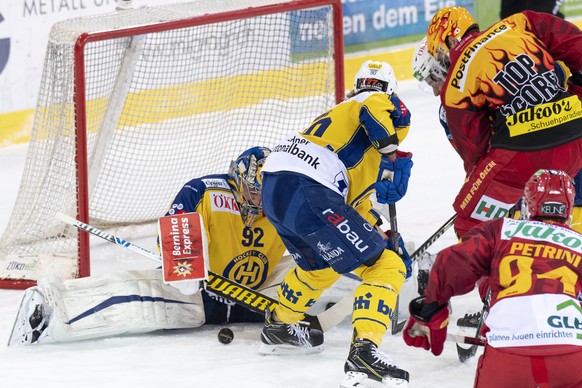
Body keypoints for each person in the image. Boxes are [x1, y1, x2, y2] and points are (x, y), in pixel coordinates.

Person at [9, 146, 292, 345]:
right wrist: (186, 269)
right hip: (201, 293)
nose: (260, 202)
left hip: (254, 294)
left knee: (312, 275)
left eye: (265, 194)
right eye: (253, 193)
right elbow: (177, 226)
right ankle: (52, 309)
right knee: (143, 298)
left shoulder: (284, 202)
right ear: (238, 181)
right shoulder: (205, 190)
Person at [258, 60, 413, 387]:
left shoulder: (341, 124)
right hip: (310, 189)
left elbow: (352, 209)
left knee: (324, 263)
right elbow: (374, 108)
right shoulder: (373, 101)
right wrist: (390, 147)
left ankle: (280, 323)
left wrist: (382, 234)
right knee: (387, 267)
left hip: (276, 187)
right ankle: (364, 352)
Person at [402, 169, 582, 387]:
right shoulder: (579, 242)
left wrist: (431, 309)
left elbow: (453, 263)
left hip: (508, 354)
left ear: (528, 203)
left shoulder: (502, 228)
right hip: (572, 354)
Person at [422, 6, 582, 240]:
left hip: (523, 154)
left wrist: (485, 186)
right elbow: (573, 41)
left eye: (440, 52)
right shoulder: (520, 22)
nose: (444, 58)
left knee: (469, 221)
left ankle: (499, 272)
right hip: (576, 139)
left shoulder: (455, 82)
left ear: (450, 38)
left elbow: (475, 151)